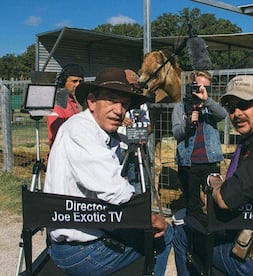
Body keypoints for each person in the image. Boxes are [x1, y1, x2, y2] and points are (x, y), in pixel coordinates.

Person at [44, 67, 173, 275]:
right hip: (80, 251)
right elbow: (114, 191)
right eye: (111, 101)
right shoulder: (81, 130)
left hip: (86, 236)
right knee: (165, 233)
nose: (118, 110)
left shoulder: (93, 129)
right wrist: (149, 217)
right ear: (92, 102)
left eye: (123, 104)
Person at [173, 75, 253, 275]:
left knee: (181, 234)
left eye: (244, 104)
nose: (237, 113)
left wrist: (213, 180)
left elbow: (225, 199)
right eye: (232, 108)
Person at [171, 71, 227, 216]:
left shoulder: (210, 107)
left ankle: (213, 231)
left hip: (210, 161)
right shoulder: (180, 107)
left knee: (214, 201)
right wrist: (188, 123)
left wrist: (206, 100)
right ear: (191, 85)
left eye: (206, 87)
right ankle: (193, 233)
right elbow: (176, 133)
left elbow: (222, 114)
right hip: (188, 163)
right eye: (199, 86)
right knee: (192, 204)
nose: (202, 90)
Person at [46, 63, 84, 147]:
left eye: (80, 81)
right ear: (64, 82)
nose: (78, 84)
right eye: (74, 81)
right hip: (63, 150)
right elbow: (57, 133)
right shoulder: (59, 100)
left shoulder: (72, 98)